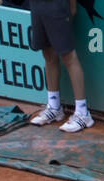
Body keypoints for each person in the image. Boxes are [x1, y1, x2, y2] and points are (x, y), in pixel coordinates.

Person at [26, 0, 92, 133]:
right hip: (36, 5)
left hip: (57, 5)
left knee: (68, 56)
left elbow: (73, 9)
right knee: (48, 53)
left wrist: (72, 5)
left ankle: (83, 113)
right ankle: (54, 107)